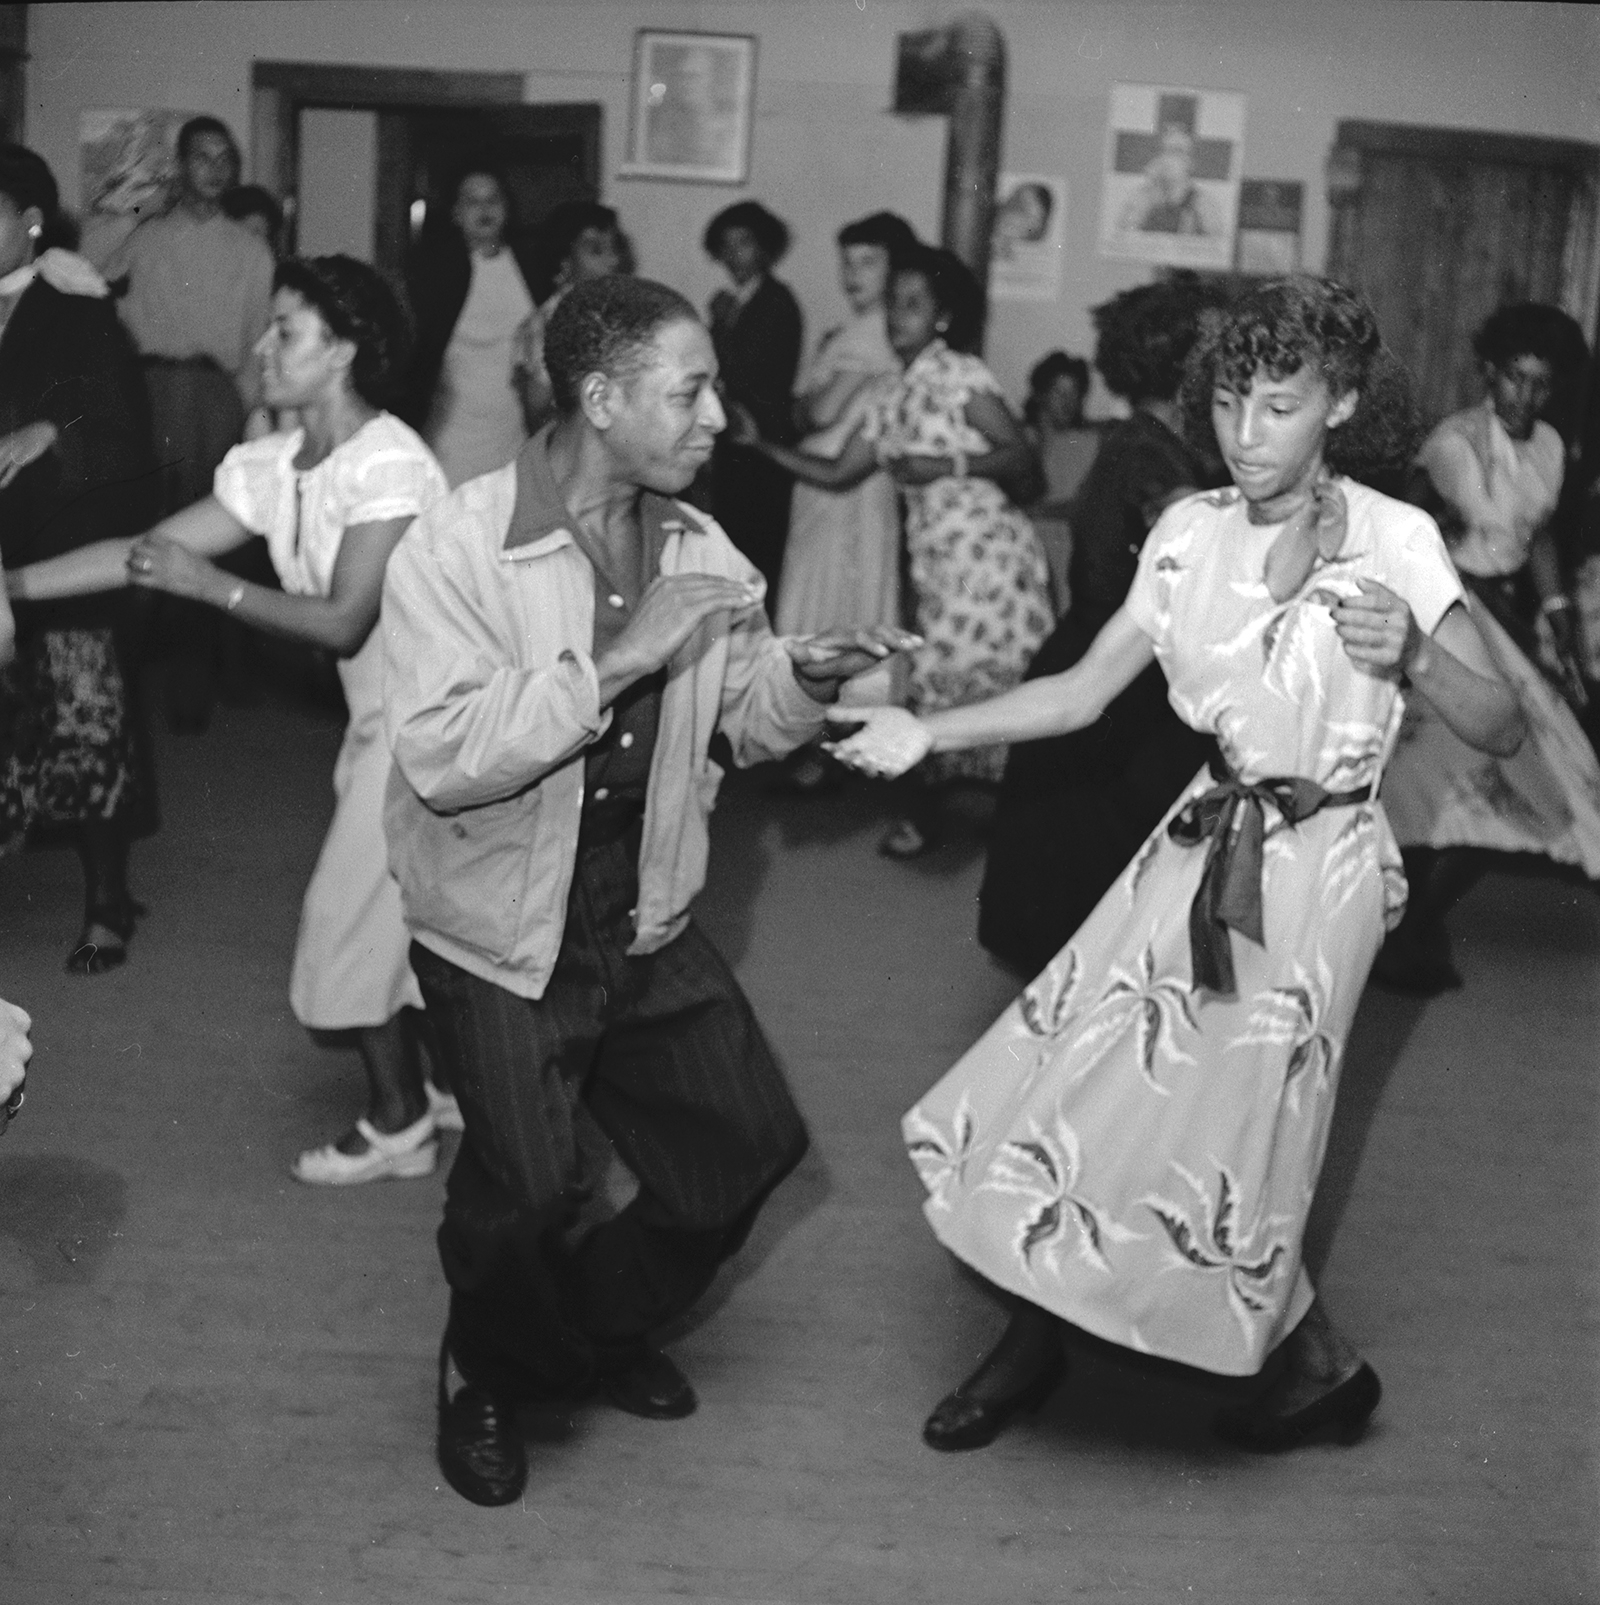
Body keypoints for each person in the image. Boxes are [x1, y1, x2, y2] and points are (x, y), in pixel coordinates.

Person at [826, 277, 1523, 1454]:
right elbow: (1077, 691)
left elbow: (1499, 724)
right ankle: (1075, 1338)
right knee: (1081, 1081)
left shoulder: (1395, 539)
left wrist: (1414, 654)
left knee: (1225, 1130)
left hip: (1323, 869)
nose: (1245, 436)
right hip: (1202, 837)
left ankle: (1277, 1360)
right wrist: (925, 733)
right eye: (1230, 403)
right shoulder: (1189, 530)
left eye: (1279, 407)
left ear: (1342, 405)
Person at [379, 274, 917, 1507]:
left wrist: (808, 679)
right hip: (497, 919)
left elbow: (745, 720)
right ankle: (490, 1370)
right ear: (601, 399)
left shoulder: (699, 548)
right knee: (526, 1190)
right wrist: (621, 658)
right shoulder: (459, 544)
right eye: (691, 392)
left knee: (747, 1146)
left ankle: (582, 1331)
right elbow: (443, 753)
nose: (718, 418)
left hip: (643, 902)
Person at [9, 255, 454, 1183]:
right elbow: (142, 552)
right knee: (409, 909)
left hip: (439, 716)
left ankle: (399, 1120)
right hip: (381, 711)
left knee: (345, 917)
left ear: (344, 351)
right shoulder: (282, 465)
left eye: (286, 330)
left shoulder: (390, 464)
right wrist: (9, 585)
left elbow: (341, 620)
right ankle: (444, 1082)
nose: (262, 347)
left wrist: (211, 587)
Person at [735, 243, 1053, 858]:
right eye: (894, 304)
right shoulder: (887, 393)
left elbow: (1020, 453)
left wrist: (946, 464)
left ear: (942, 316)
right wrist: (759, 445)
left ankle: (991, 827)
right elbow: (835, 473)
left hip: (991, 561)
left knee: (991, 684)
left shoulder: (960, 375)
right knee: (939, 681)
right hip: (938, 567)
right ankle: (944, 819)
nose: (897, 316)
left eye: (914, 304)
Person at [978, 281, 1226, 975]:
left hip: (1106, 657)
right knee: (1105, 863)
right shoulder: (1152, 454)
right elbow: (1195, 542)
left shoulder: (1145, 439)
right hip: (1118, 678)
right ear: (1187, 367)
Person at [1377, 303, 1600, 994]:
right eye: (1513, 378)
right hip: (1453, 615)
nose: (1525, 396)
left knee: (1539, 781)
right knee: (1436, 781)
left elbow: (1537, 537)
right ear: (1488, 372)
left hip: (1508, 622)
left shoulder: (1550, 446)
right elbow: (1406, 528)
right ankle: (1402, 927)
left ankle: (1414, 919)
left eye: (1540, 382)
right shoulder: (1454, 443)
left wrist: (1561, 620)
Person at [0, 142, 160, 975]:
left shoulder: (78, 307)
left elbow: (126, 432)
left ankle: (107, 902)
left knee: (84, 720)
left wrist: (51, 433)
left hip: (57, 544)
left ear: (29, 220)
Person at [105, 115, 275, 732]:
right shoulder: (145, 236)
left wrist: (245, 415)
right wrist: (133, 209)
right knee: (140, 533)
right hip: (149, 391)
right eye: (202, 156)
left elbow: (256, 346)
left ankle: (191, 690)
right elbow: (85, 275)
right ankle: (113, 683)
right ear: (181, 166)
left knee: (204, 540)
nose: (215, 168)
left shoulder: (250, 251)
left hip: (212, 395)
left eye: (225, 158)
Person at [773, 210, 916, 789]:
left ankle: (825, 748)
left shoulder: (869, 334)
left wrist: (811, 394)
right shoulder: (857, 331)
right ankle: (835, 744)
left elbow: (816, 411)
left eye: (868, 262)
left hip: (847, 491)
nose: (853, 274)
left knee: (832, 605)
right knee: (838, 602)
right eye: (847, 262)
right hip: (831, 490)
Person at [406, 162, 540, 489]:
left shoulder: (532, 264)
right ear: (455, 213)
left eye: (493, 199)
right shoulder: (434, 272)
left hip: (514, 436)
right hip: (451, 437)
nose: (484, 209)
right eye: (472, 201)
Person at [703, 200, 804, 607]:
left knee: (755, 554)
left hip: (764, 444)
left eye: (743, 243)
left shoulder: (776, 301)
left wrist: (721, 324)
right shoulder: (741, 301)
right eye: (726, 245)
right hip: (738, 444)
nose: (734, 255)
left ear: (765, 247)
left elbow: (743, 373)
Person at [516, 199, 634, 432]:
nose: (613, 260)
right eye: (596, 250)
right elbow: (539, 414)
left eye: (614, 248)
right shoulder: (548, 324)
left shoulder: (614, 315)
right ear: (564, 261)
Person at [1117, 123, 1222, 237]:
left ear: (1191, 162)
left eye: (1178, 151)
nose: (1171, 159)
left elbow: (1217, 240)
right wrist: (1151, 191)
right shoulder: (1143, 196)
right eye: (1166, 151)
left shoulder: (1202, 201)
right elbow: (1123, 234)